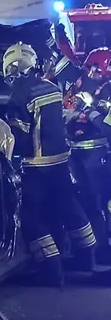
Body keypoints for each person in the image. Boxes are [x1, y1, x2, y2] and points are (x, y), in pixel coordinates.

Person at [3, 42, 98, 286]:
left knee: (31, 217)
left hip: (37, 165)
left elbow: (20, 135)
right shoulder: (51, 88)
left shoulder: (20, 92)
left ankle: (50, 269)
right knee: (69, 207)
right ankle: (87, 258)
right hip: (60, 163)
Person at [64, 47, 111, 263]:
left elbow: (106, 127)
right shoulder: (79, 83)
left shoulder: (108, 90)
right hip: (74, 151)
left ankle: (101, 250)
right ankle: (85, 251)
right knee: (80, 201)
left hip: (96, 154)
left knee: (97, 202)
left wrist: (88, 109)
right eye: (90, 68)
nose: (91, 73)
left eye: (96, 69)